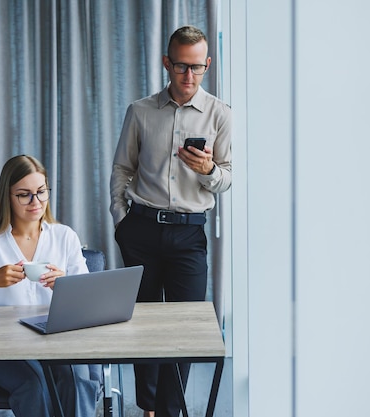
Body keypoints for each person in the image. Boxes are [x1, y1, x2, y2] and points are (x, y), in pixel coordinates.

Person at [109, 25, 232, 417]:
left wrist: (209, 168)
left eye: (197, 68)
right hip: (141, 230)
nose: (189, 76)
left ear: (207, 65)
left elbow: (227, 178)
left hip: (189, 234)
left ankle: (170, 409)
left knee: (184, 329)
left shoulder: (220, 114)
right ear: (167, 63)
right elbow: (121, 169)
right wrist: (120, 222)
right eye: (181, 66)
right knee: (141, 325)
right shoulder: (140, 111)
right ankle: (147, 408)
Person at [0, 155, 101, 417]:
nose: (36, 202)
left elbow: (90, 302)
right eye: (25, 195)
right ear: (8, 197)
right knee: (34, 385)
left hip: (57, 338)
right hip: (3, 344)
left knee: (76, 380)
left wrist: (66, 287)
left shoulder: (65, 236)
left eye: (41, 192)